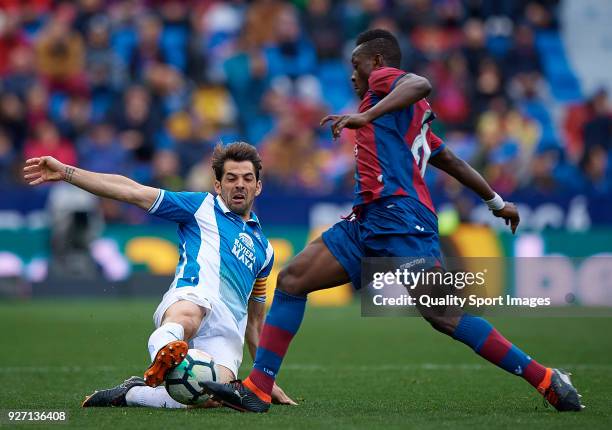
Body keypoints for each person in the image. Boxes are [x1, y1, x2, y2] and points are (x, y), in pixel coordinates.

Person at [202, 30, 583, 413]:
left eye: (357, 66)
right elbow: (451, 161)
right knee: (293, 279)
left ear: (379, 64)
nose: (353, 76)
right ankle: (259, 388)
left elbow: (421, 82)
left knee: (443, 315)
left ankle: (546, 378)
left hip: (402, 221)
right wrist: (496, 200)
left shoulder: (385, 88)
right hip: (368, 221)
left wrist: (365, 114)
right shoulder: (405, 119)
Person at [23, 142, 295, 408]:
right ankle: (165, 348)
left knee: (207, 398)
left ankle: (131, 394)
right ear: (218, 185)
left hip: (227, 329)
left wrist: (264, 381)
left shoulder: (266, 252)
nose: (239, 184)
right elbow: (132, 191)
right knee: (188, 316)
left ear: (257, 186)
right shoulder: (200, 207)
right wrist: (67, 173)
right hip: (194, 295)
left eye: (247, 178)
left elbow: (255, 326)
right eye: (231, 178)